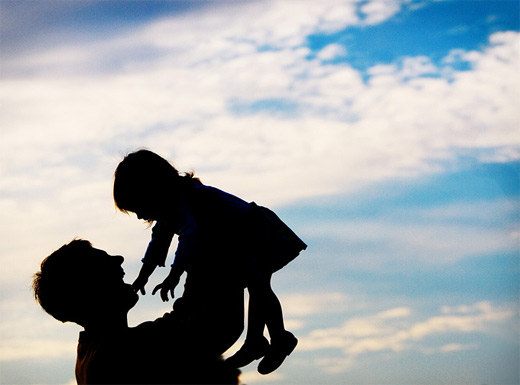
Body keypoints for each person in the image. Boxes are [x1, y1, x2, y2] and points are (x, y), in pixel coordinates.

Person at [113, 149, 307, 375]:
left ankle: (278, 338)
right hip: (235, 239)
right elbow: (159, 241)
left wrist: (175, 274)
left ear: (152, 189)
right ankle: (257, 341)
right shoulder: (170, 210)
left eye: (138, 206)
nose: (138, 216)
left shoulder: (189, 199)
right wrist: (143, 276)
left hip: (252, 232)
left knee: (259, 287)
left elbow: (189, 234)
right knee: (257, 286)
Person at [33, 239, 244, 384]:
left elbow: (185, 319)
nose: (119, 259)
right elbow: (218, 326)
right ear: (89, 287)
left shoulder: (95, 354)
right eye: (103, 262)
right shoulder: (119, 352)